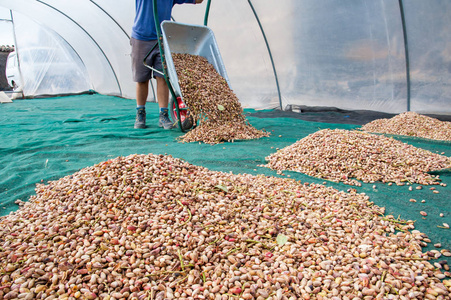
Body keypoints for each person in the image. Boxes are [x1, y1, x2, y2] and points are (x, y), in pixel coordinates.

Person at [131, 0, 204, 129]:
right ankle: (140, 113)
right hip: (141, 37)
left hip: (162, 37)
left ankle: (163, 115)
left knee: (162, 77)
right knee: (142, 78)